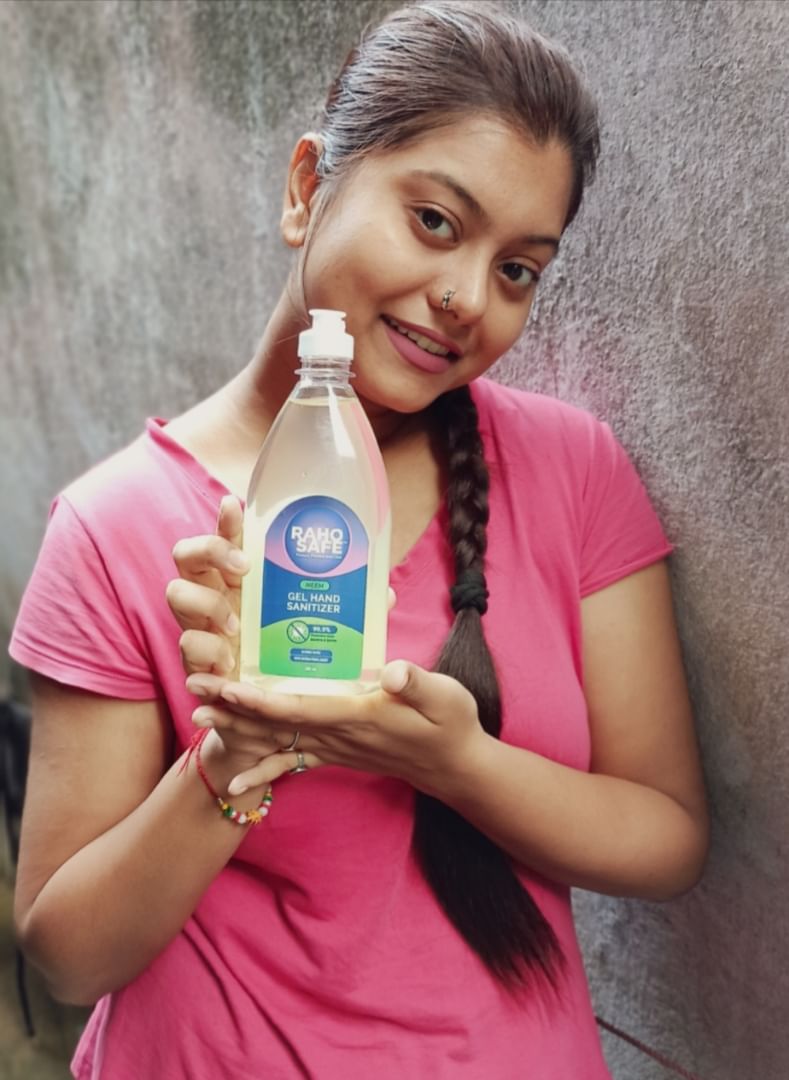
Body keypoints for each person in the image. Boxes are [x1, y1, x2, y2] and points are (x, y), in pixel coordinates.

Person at [9, 2, 709, 1077]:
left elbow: (665, 837)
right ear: (307, 188)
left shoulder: (570, 469)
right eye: (434, 221)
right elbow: (68, 956)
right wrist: (234, 756)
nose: (465, 297)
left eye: (517, 270)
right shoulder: (118, 528)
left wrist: (455, 763)